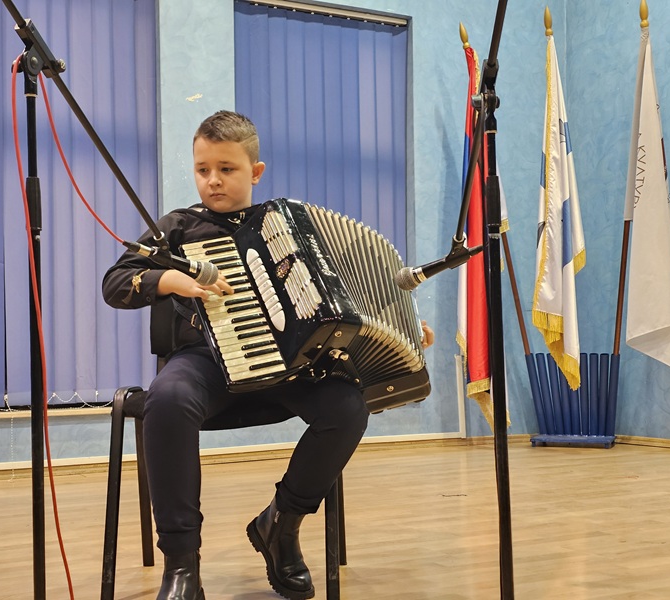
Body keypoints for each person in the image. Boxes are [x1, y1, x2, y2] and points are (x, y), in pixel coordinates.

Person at [103, 110, 434, 600]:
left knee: (347, 409)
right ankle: (182, 565)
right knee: (167, 398)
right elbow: (116, 282)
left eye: (226, 168)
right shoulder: (178, 226)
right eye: (202, 169)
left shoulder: (290, 225)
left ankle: (282, 524)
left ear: (255, 171)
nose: (212, 180)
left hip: (291, 371)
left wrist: (402, 322)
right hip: (206, 363)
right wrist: (174, 280)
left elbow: (347, 297)